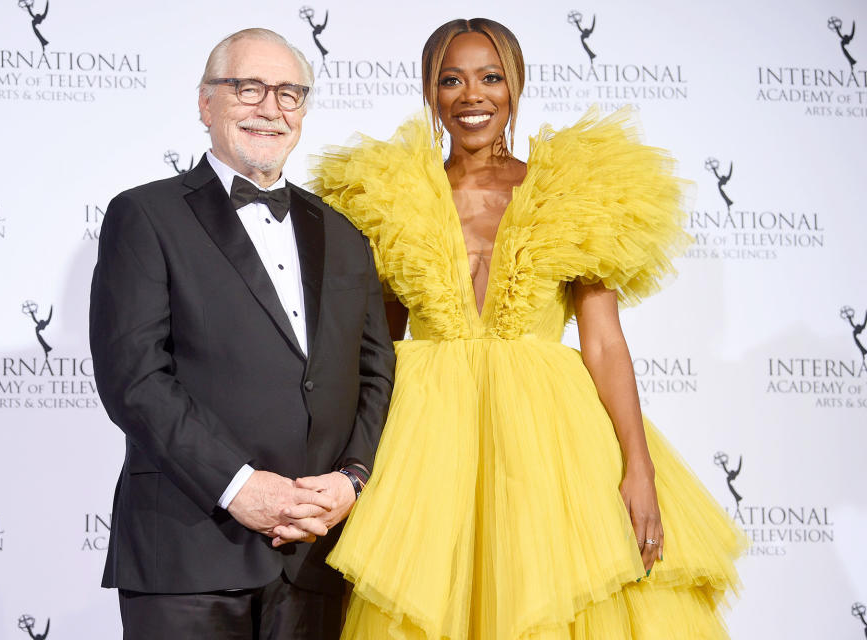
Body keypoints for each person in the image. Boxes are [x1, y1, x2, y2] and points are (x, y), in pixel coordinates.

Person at [310, 18, 747, 639]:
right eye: (451, 80)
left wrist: (639, 468)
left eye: (491, 78)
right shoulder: (391, 196)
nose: (472, 95)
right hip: (425, 439)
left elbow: (602, 342)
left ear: (515, 87)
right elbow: (378, 348)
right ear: (431, 93)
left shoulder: (568, 191)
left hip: (549, 440)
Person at [89, 28, 395, 640]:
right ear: (206, 103)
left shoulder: (344, 233)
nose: (270, 108)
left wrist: (350, 479)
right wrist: (239, 487)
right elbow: (135, 379)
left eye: (289, 93)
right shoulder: (145, 215)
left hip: (315, 555)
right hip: (188, 547)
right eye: (248, 87)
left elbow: (374, 370)